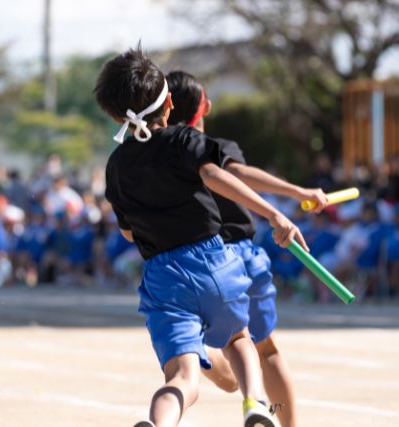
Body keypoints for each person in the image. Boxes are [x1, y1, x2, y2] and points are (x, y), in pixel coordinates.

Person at [94, 45, 309, 427]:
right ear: (168, 104)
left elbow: (128, 232)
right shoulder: (182, 141)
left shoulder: (116, 166)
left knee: (181, 378)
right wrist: (275, 213)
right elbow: (216, 175)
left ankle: (161, 424)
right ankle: (255, 403)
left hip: (162, 276)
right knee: (239, 337)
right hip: (214, 261)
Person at [166, 70, 328, 427]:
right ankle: (286, 424)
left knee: (232, 373)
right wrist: (298, 193)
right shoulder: (217, 149)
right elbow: (240, 174)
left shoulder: (160, 161)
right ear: (204, 105)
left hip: (197, 263)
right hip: (240, 257)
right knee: (264, 351)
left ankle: (204, 353)